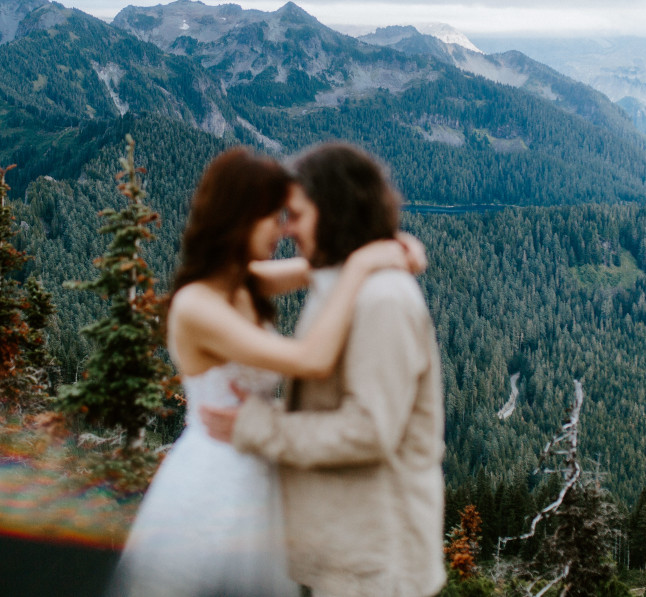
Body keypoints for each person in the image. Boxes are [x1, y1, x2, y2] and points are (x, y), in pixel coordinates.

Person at [110, 146, 423, 597]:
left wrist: (390, 245)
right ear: (239, 217)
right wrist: (362, 265)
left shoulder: (243, 280)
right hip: (214, 485)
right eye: (272, 216)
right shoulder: (197, 305)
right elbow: (312, 360)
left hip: (262, 469)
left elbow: (320, 264)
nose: (283, 228)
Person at [201, 142, 446, 597]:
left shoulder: (383, 300)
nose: (287, 227)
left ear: (332, 210)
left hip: (375, 561)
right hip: (345, 550)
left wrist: (259, 425)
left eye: (295, 214)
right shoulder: (339, 280)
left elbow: (370, 430)